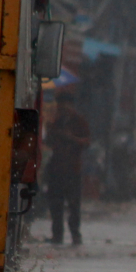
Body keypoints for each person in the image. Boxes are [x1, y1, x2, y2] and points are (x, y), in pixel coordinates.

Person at [45, 91, 90, 245]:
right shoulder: (56, 121)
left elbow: (87, 141)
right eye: (60, 105)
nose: (61, 108)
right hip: (56, 168)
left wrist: (72, 138)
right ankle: (57, 235)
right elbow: (49, 142)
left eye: (64, 105)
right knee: (55, 204)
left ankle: (75, 234)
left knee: (73, 204)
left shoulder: (78, 120)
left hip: (72, 169)